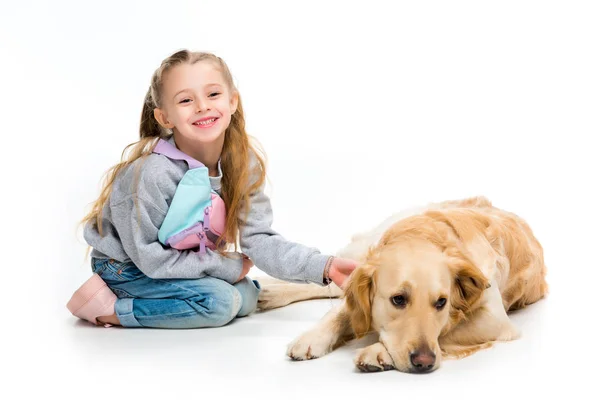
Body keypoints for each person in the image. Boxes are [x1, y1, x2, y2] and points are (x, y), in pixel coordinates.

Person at [66, 49, 358, 329]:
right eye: (185, 100)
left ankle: (185, 296)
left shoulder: (243, 162)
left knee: (247, 299)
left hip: (177, 263)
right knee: (220, 303)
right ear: (165, 118)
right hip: (127, 267)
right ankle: (112, 310)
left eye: (213, 94)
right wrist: (225, 267)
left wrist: (324, 266)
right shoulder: (152, 174)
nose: (203, 106)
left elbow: (259, 240)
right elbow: (151, 260)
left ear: (232, 101)